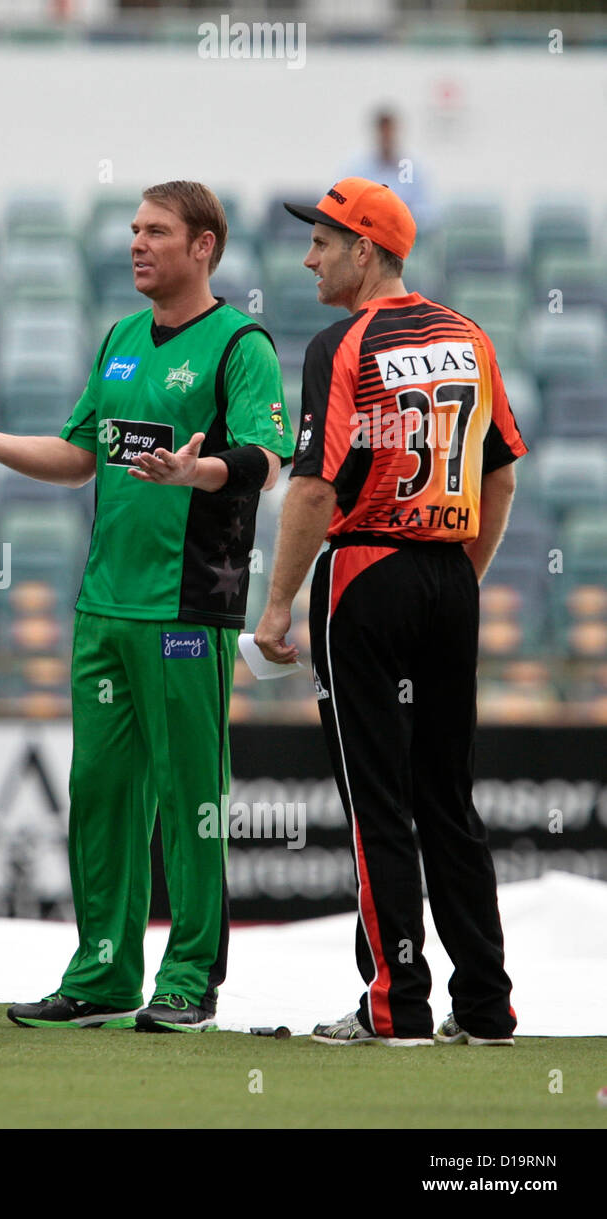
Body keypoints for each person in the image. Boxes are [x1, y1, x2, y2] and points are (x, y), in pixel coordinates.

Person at [0, 182, 295, 1032]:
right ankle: (105, 973)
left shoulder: (240, 343)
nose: (136, 244)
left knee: (191, 791)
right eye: (133, 230)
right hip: (104, 606)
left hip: (188, 610)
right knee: (100, 790)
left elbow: (270, 456)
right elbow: (79, 456)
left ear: (205, 246)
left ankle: (188, 978)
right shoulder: (118, 337)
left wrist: (199, 472)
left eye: (156, 231)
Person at [255, 177, 525, 1047]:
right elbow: (501, 474)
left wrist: (276, 608)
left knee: (377, 800)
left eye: (324, 242)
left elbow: (313, 486)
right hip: (450, 576)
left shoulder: (343, 343)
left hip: (365, 572)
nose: (310, 257)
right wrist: (459, 575)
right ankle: (485, 1005)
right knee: (449, 796)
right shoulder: (469, 334)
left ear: (364, 250)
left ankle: (395, 1003)